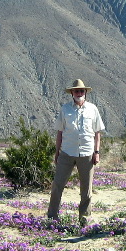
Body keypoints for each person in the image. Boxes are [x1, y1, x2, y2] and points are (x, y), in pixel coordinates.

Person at [47, 78, 106, 226]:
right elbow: (60, 132)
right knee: (57, 185)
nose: (79, 93)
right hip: (66, 152)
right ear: (72, 93)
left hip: (87, 153)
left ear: (85, 93)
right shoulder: (65, 109)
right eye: (76, 91)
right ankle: (52, 216)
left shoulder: (93, 109)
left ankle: (84, 219)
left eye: (81, 91)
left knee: (86, 189)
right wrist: (57, 152)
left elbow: (97, 132)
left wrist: (96, 152)